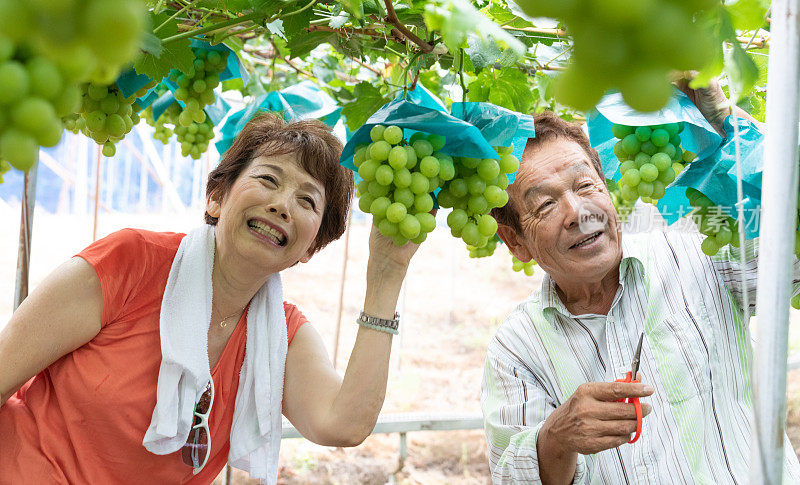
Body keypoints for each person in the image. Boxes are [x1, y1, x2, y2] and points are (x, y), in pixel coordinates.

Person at [0, 113, 419, 484]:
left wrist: (387, 274)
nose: (281, 205)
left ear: (310, 247)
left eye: (307, 200)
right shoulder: (129, 262)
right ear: (217, 198)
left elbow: (341, 424)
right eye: (268, 179)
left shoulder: (281, 337)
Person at [480, 104, 800, 483]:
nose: (577, 212)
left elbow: (792, 249)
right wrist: (556, 437)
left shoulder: (701, 258)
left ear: (608, 190)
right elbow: (512, 475)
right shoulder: (516, 350)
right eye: (545, 204)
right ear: (515, 241)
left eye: (585, 186)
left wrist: (725, 122)